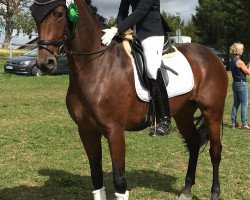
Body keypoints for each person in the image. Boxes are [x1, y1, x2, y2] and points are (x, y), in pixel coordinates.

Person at [101, 0, 172, 136]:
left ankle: (165, 119)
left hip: (152, 32)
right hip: (136, 33)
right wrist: (119, 30)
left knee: (152, 69)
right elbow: (123, 10)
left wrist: (118, 28)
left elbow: (141, 11)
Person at [229, 42, 250, 129]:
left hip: (235, 83)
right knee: (244, 104)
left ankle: (233, 123)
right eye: (242, 49)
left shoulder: (232, 60)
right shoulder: (239, 61)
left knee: (236, 104)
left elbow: (243, 69)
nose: (243, 50)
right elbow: (248, 72)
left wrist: (248, 65)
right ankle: (244, 124)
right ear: (239, 50)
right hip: (242, 84)